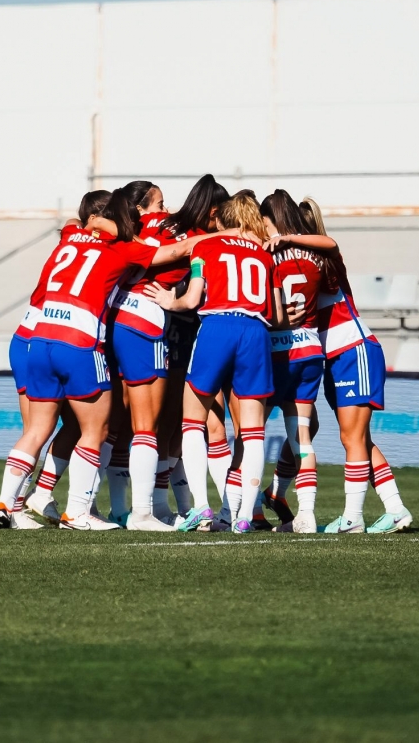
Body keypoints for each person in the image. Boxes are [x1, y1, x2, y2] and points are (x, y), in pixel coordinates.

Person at [0, 190, 202, 532]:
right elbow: (175, 250)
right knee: (98, 428)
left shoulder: (72, 235)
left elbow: (76, 221)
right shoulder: (121, 248)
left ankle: (8, 504)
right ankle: (78, 512)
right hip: (79, 341)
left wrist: (99, 223)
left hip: (37, 336)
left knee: (38, 430)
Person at [266, 197, 413, 534]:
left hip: (354, 350)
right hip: (333, 358)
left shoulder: (324, 259)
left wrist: (288, 239)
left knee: (352, 437)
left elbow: (330, 243)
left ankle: (352, 517)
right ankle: (395, 508)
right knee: (357, 437)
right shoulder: (301, 265)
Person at [145, 192, 275, 533]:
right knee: (253, 431)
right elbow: (274, 311)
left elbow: (191, 299)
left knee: (192, 421)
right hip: (256, 331)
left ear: (220, 221)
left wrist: (167, 301)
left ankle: (201, 508)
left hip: (217, 327)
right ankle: (245, 514)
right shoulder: (263, 255)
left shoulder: (205, 247)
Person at [109, 175, 229, 528]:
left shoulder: (138, 223)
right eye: (159, 203)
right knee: (157, 424)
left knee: (119, 422)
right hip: (151, 319)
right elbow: (182, 258)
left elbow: (89, 221)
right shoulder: (196, 239)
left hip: (113, 316)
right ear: (213, 212)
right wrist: (232, 234)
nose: (164, 209)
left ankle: (129, 507)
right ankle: (148, 509)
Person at [0, 191, 111, 529]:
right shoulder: (105, 247)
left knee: (60, 426)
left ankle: (20, 500)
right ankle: (21, 504)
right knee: (64, 427)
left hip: (29, 335)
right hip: (52, 336)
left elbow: (72, 222)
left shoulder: (72, 235)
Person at [260, 189, 326, 534]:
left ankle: (246, 509)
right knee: (303, 437)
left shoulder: (267, 253)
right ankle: (307, 515)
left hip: (278, 351)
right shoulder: (315, 254)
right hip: (312, 349)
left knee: (251, 433)